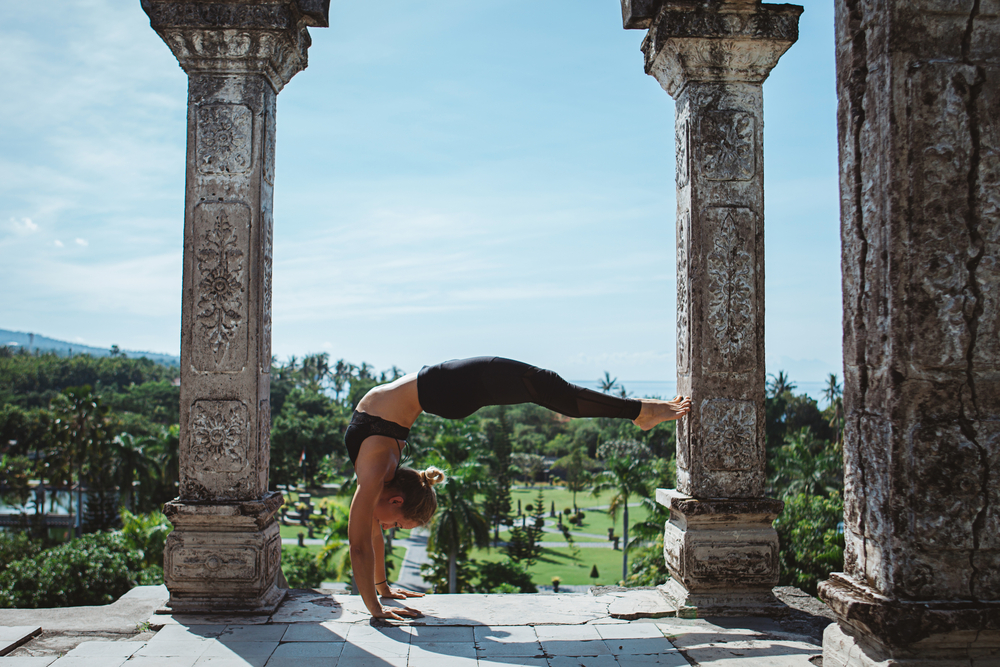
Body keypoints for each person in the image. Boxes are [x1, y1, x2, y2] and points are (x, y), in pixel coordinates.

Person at [347, 356, 692, 620]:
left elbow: (361, 545)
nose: (386, 527)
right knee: (546, 386)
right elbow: (372, 532)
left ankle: (642, 411)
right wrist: (382, 590)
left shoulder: (375, 473)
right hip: (445, 391)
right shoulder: (379, 479)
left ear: (397, 499)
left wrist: (376, 609)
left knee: (548, 386)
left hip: (447, 387)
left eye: (394, 523)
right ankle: (641, 411)